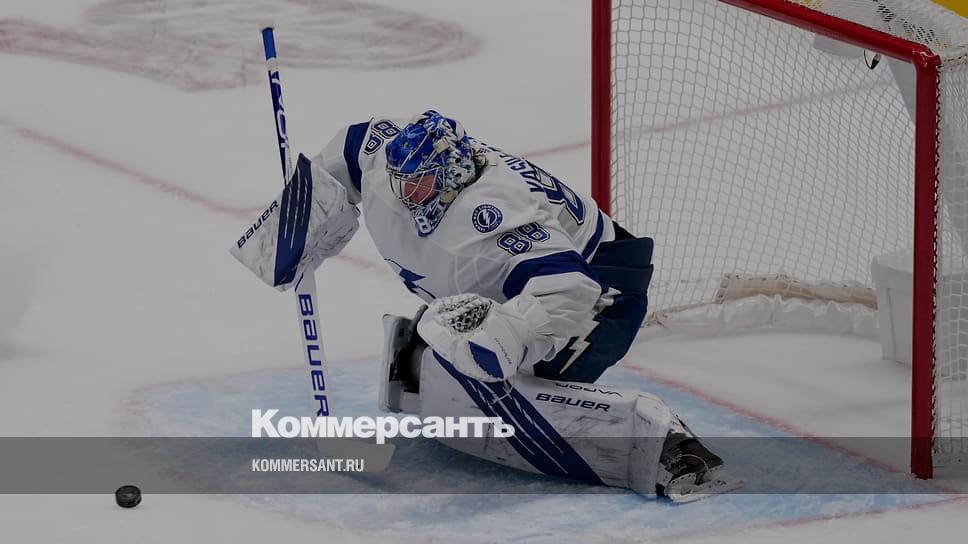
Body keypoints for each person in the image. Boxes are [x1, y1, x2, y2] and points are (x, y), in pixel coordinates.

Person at [231, 110, 740, 501]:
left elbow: (570, 289)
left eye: (421, 184)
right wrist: (298, 222)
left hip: (604, 290)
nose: (408, 195)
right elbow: (346, 152)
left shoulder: (493, 216)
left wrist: (503, 337)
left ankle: (662, 446)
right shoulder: (389, 156)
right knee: (436, 370)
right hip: (543, 274)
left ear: (453, 172)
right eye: (403, 181)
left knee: (478, 382)